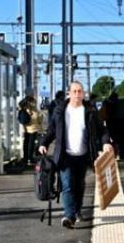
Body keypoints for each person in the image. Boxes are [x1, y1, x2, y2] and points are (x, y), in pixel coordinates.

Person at [38, 81, 111, 229]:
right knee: (67, 185)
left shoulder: (90, 110)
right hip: (65, 155)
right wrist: (43, 143)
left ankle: (77, 210)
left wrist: (105, 143)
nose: (77, 94)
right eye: (75, 91)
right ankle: (69, 216)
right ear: (69, 93)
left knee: (79, 185)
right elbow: (52, 130)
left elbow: (102, 129)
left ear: (83, 94)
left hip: (84, 154)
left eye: (80, 91)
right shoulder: (60, 110)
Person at [19, 95, 43, 165]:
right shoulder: (33, 110)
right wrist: (40, 116)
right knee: (31, 144)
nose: (34, 103)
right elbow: (39, 120)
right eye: (33, 102)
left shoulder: (24, 108)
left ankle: (26, 158)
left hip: (26, 129)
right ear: (31, 102)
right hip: (33, 129)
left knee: (26, 144)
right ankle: (30, 158)